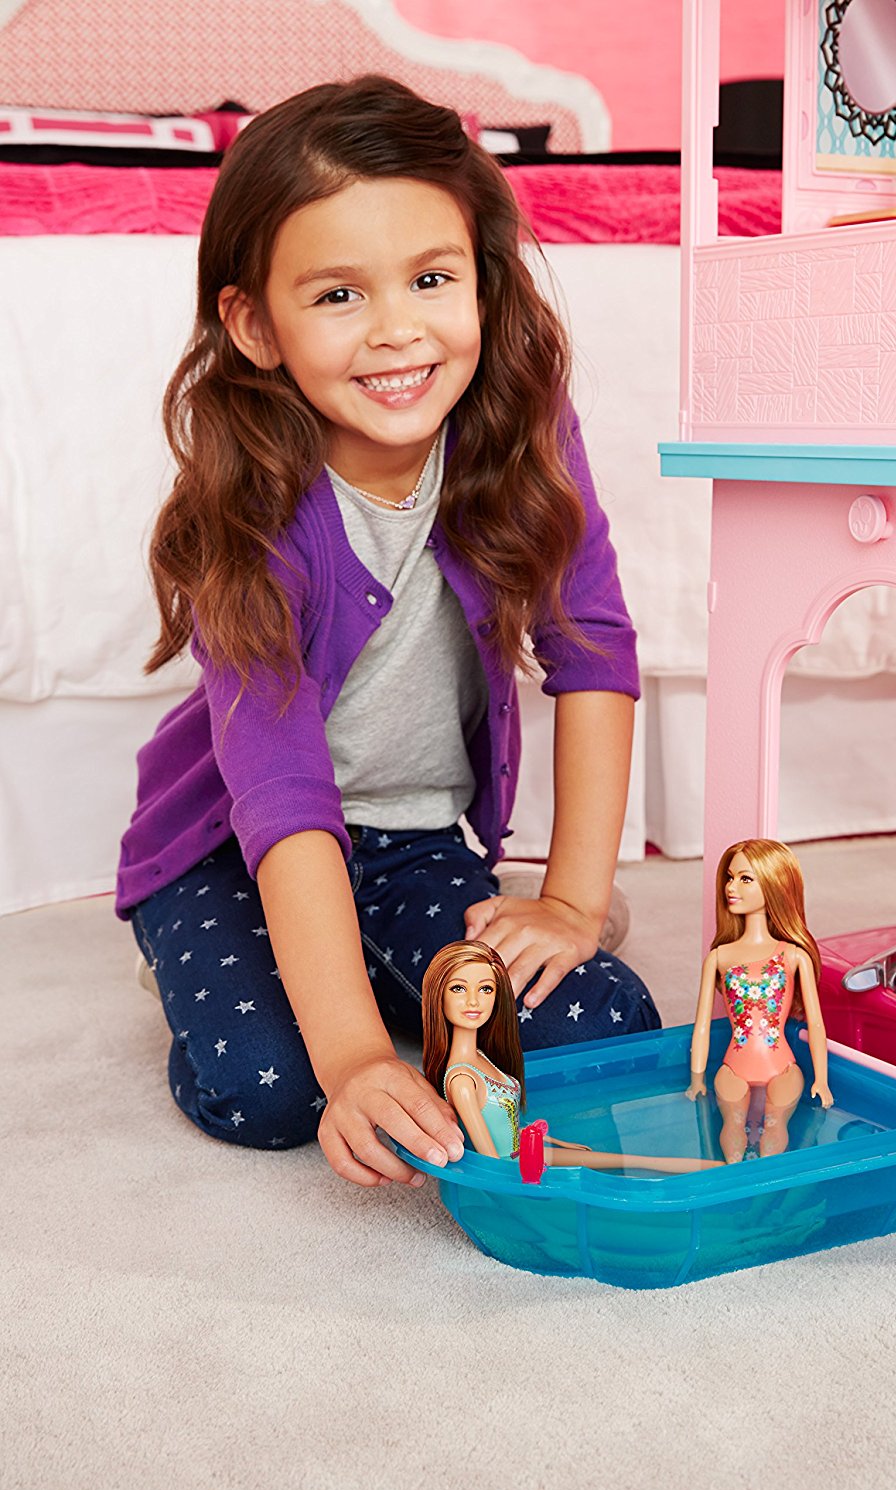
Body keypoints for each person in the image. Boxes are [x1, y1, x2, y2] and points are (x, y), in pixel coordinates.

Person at [116, 75, 661, 1189]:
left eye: (430, 279)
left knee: (603, 1025)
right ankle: (214, 960)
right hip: (233, 848)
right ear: (255, 325)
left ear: (482, 279)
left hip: (413, 842)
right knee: (274, 1089)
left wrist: (569, 902)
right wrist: (358, 1055)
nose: (398, 330)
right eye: (337, 295)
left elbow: (593, 643)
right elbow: (279, 788)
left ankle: (361, 967)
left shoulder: (521, 428)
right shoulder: (251, 511)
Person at [422, 943, 719, 1173]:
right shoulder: (462, 1080)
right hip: (519, 1167)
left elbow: (504, 1125)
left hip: (529, 1151)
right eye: (458, 988)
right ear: (439, 994)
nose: (474, 1001)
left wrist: (558, 1143)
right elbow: (492, 1163)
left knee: (624, 1160)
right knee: (624, 1166)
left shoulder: (481, 1057)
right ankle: (709, 1173)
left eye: (486, 989)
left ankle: (713, 1170)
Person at [686, 839, 833, 1163]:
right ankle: (735, 1184)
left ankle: (766, 1188)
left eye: (744, 878)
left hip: (781, 1066)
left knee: (775, 1125)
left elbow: (816, 1023)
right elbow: (702, 1026)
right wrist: (696, 1078)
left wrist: (821, 1080)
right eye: (729, 877)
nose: (730, 887)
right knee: (732, 1126)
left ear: (773, 884)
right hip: (734, 1067)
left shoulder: (793, 955)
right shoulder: (720, 957)